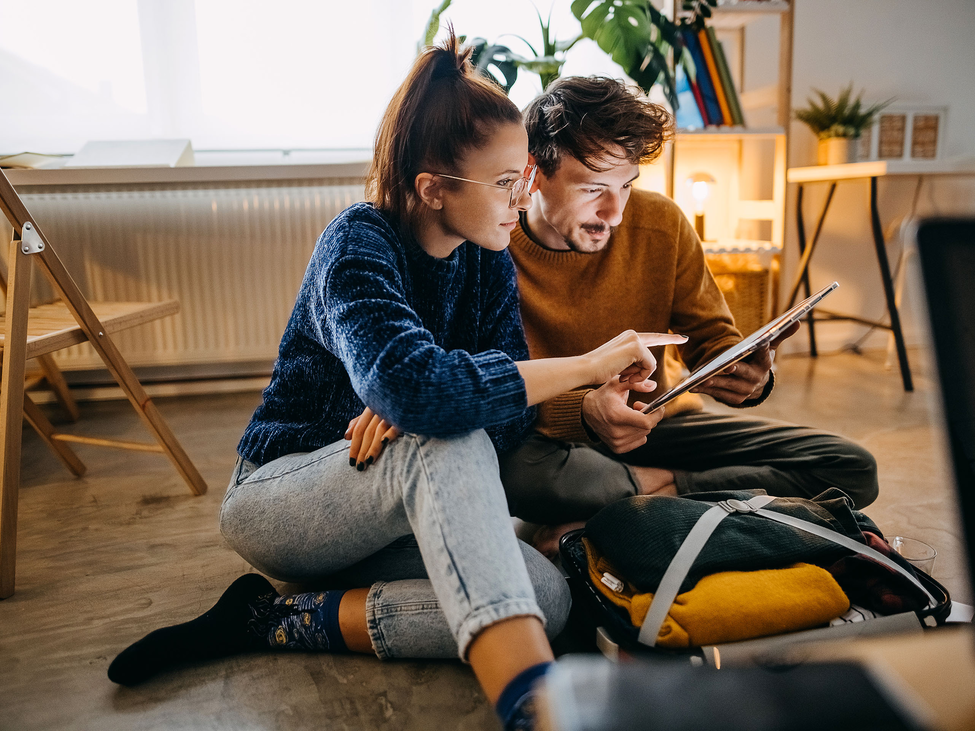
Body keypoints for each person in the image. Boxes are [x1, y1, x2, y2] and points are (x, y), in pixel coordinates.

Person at [106, 38, 684, 730]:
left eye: (522, 177)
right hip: (280, 496)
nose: (519, 198)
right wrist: (583, 367)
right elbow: (421, 392)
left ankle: (278, 619)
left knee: (547, 595)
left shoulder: (486, 261)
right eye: (503, 182)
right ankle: (537, 708)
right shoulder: (356, 243)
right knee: (439, 435)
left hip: (387, 504)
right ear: (432, 187)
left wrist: (424, 400)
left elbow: (501, 426)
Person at [499, 76, 880, 553]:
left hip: (657, 424)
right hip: (549, 440)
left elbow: (712, 337)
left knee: (851, 466)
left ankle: (655, 493)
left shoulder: (661, 224)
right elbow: (492, 390)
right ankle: (678, 502)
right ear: (534, 173)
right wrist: (584, 411)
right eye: (594, 188)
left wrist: (746, 373)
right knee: (508, 471)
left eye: (626, 186)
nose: (614, 213)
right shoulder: (493, 245)